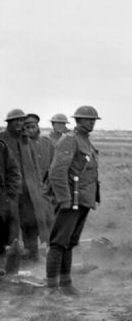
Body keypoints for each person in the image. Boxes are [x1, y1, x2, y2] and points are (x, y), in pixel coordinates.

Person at [46, 105, 102, 294]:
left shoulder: (85, 141)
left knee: (69, 242)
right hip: (72, 199)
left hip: (83, 199)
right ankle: (52, 287)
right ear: (78, 120)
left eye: (93, 120)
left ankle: (66, 284)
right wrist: (64, 198)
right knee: (58, 242)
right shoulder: (70, 140)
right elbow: (57, 172)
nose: (91, 122)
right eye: (88, 119)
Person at [1, 109, 53, 269]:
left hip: (29, 190)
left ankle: (33, 255)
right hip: (9, 191)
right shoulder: (2, 140)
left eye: (21, 120)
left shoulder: (26, 141)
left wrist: (39, 186)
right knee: (10, 225)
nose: (19, 123)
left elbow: (35, 166)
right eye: (15, 120)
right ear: (8, 122)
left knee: (32, 223)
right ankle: (8, 262)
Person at [0, 131, 21, 277]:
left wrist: (9, 195)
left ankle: (2, 269)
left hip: (1, 200)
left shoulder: (2, 148)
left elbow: (14, 172)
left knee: (3, 236)